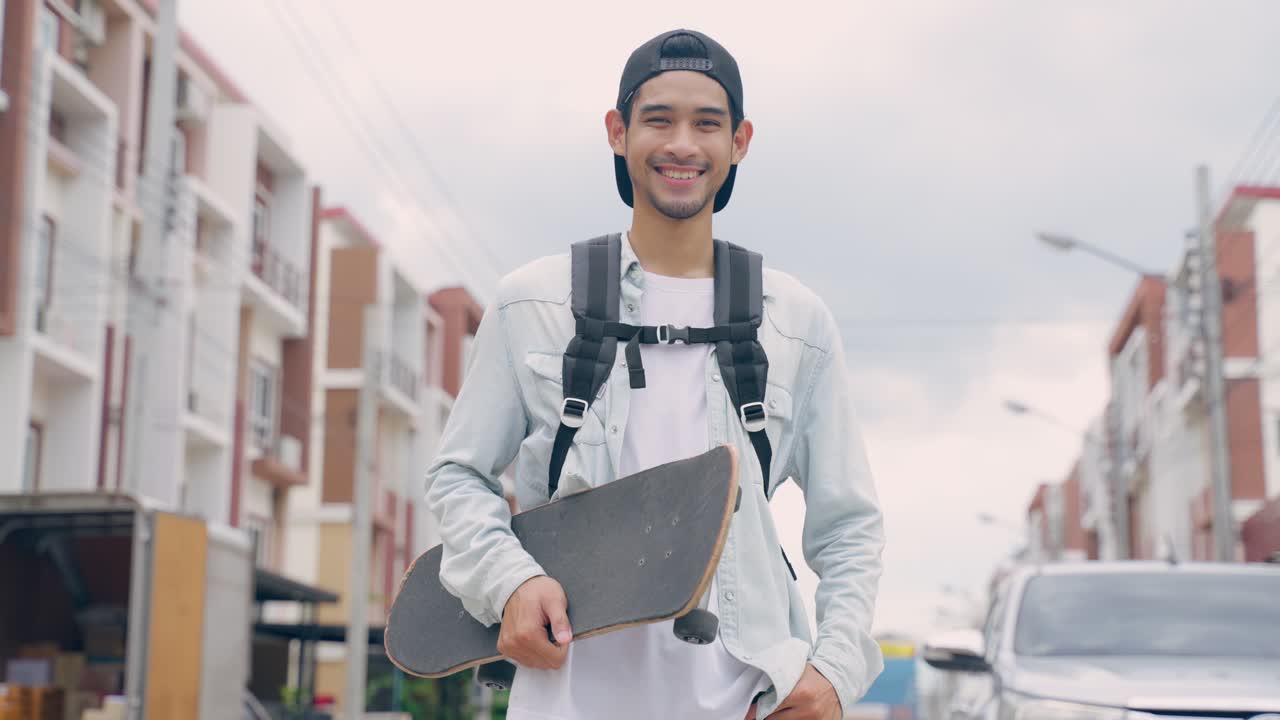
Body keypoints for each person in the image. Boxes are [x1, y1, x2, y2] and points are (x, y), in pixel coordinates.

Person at [425, 28, 884, 720]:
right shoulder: (534, 304)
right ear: (618, 132)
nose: (682, 145)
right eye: (659, 119)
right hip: (567, 700)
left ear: (740, 142)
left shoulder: (795, 321)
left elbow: (849, 525)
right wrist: (510, 581)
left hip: (745, 698)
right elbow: (457, 475)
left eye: (707, 123)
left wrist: (834, 670)